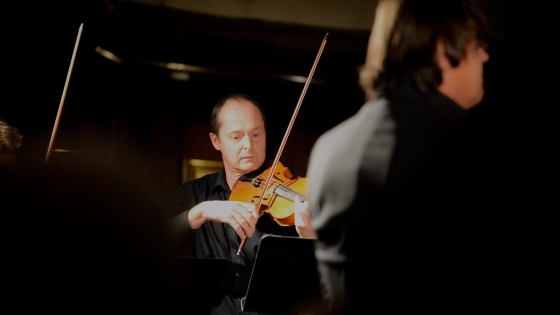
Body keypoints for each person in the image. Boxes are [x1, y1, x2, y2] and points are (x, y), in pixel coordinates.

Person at [306, 0, 507, 313]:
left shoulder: (329, 147)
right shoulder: (471, 145)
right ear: (442, 49)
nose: (485, 55)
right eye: (477, 44)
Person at [171, 93, 316, 315]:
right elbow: (154, 243)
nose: (249, 144)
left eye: (256, 134)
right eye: (236, 137)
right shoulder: (194, 194)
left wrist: (312, 242)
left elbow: (315, 286)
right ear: (216, 141)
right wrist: (202, 211)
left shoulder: (290, 203)